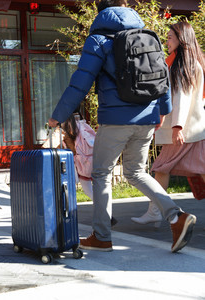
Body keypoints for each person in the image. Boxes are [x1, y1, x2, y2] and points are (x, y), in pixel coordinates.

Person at [48, 0, 196, 253]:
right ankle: (175, 216)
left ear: (100, 12)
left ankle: (102, 236)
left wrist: (58, 116)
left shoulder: (98, 41)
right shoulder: (148, 37)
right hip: (148, 117)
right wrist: (163, 110)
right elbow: (160, 77)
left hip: (117, 119)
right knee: (136, 172)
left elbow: (80, 83)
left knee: (101, 174)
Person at [131, 22, 205, 225]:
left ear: (182, 39)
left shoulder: (182, 65)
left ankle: (155, 211)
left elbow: (183, 96)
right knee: (197, 169)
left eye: (170, 37)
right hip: (195, 128)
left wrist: (177, 127)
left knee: (161, 168)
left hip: (185, 130)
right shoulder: (191, 63)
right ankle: (155, 211)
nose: (167, 41)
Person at [61, 112, 118, 226]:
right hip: (94, 158)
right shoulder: (83, 125)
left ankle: (106, 215)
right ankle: (107, 214)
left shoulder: (68, 130)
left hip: (82, 163)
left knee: (88, 191)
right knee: (101, 189)